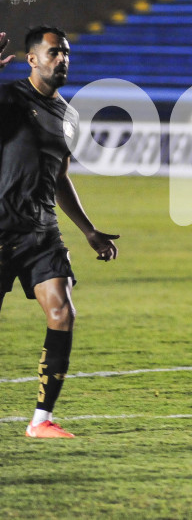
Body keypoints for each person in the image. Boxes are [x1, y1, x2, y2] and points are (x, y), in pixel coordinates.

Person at [0, 27, 119, 438]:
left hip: (41, 232)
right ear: (32, 59)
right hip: (0, 228)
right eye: (54, 53)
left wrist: (88, 230)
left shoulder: (68, 115)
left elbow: (60, 177)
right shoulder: (10, 98)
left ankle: (40, 420)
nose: (62, 59)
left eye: (66, 53)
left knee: (62, 312)